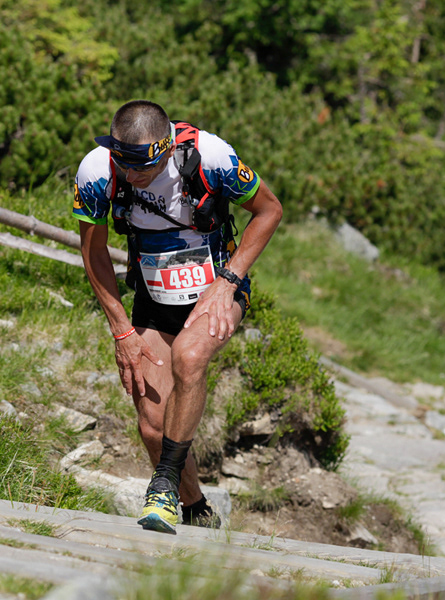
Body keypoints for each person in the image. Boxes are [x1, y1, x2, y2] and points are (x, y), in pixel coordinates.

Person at [72, 100, 283, 534]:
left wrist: (228, 282)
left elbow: (270, 210)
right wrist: (121, 330)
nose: (131, 177)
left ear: (166, 148)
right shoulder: (97, 169)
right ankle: (196, 510)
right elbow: (92, 251)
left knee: (189, 357)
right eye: (123, 164)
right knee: (152, 427)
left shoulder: (212, 156)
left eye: (142, 169)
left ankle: (162, 488)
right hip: (153, 292)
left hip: (216, 287)